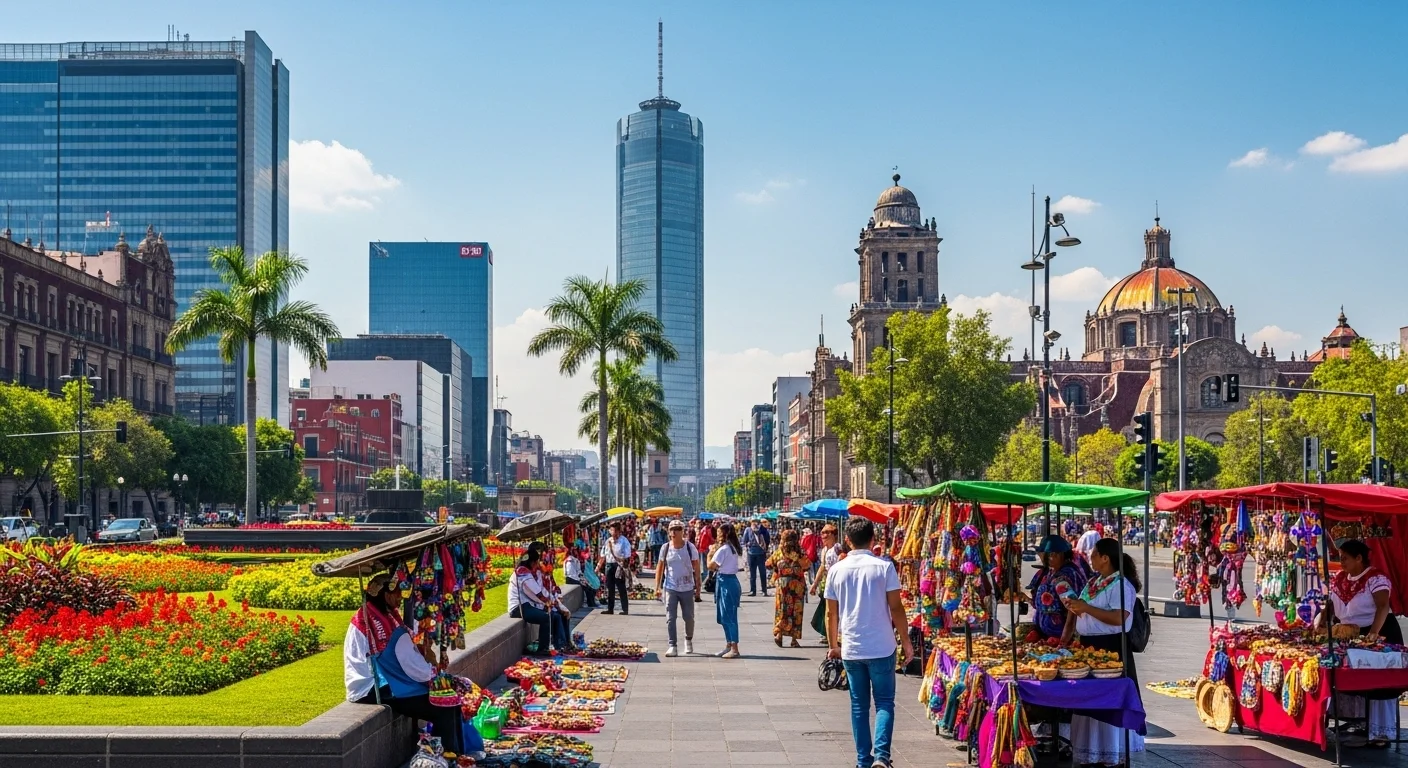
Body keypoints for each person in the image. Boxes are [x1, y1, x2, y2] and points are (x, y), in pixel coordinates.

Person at [825, 518, 913, 768]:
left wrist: (833, 645)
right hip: (882, 645)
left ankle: (863, 761)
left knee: (858, 706)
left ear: (847, 541)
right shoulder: (884, 567)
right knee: (884, 702)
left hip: (851, 647)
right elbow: (896, 608)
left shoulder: (836, 570)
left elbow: (831, 613)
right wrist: (906, 641)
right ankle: (881, 757)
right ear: (873, 539)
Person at [345, 573, 465, 755]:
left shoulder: (372, 615)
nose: (401, 597)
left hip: (376, 682)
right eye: (398, 593)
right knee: (444, 706)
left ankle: (456, 755)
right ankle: (446, 757)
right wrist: (435, 676)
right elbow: (410, 666)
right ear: (386, 595)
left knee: (447, 700)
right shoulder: (376, 624)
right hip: (374, 688)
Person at [1060, 537, 1145, 767]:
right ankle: (1090, 753)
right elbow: (1089, 613)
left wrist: (1087, 608)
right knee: (1088, 701)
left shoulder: (1121, 585)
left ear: (1105, 558)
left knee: (1107, 701)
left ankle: (1109, 753)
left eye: (1095, 554)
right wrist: (1077, 608)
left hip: (1111, 649)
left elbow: (1119, 618)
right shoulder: (1094, 582)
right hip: (1089, 647)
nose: (1091, 557)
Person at [1323, 539, 1401, 748]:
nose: (1342, 562)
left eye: (1345, 558)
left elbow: (1383, 606)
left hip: (1379, 632)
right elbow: (1330, 605)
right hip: (1350, 635)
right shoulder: (1339, 578)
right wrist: (1322, 623)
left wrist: (1373, 635)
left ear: (1359, 558)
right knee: (1349, 677)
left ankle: (1380, 732)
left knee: (1378, 683)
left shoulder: (1376, 579)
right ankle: (1357, 723)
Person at [1014, 534, 1087, 640]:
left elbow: (1074, 610)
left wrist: (1064, 641)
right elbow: (1044, 604)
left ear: (1055, 555)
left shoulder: (1067, 575)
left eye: (1042, 554)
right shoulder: (1049, 572)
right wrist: (1025, 598)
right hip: (1045, 635)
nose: (1040, 556)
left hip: (1063, 637)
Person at [655, 520, 702, 657]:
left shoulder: (690, 547)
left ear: (683, 531)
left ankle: (688, 640)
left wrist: (698, 586)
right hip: (670, 587)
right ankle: (672, 645)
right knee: (670, 617)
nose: (674, 532)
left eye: (677, 529)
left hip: (687, 587)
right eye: (672, 529)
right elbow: (660, 567)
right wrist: (657, 586)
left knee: (689, 617)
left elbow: (697, 567)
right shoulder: (665, 548)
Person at [508, 547, 562, 656]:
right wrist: (549, 603)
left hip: (527, 605)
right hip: (519, 608)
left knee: (553, 615)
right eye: (536, 561)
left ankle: (557, 644)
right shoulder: (522, 572)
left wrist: (550, 602)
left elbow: (537, 592)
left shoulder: (527, 572)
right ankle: (542, 649)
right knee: (547, 617)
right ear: (531, 562)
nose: (538, 564)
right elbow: (537, 592)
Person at [707, 522, 744, 658]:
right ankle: (729, 644)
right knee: (724, 616)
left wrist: (709, 554)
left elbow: (711, 566)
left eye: (719, 533)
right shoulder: (732, 547)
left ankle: (734, 647)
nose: (717, 536)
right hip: (728, 581)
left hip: (726, 582)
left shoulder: (724, 549)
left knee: (729, 616)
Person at [767, 528, 810, 648]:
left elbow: (768, 564)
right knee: (797, 611)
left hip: (783, 585)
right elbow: (807, 566)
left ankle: (779, 635)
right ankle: (794, 640)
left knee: (782, 610)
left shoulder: (779, 552)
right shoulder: (800, 552)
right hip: (797, 585)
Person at [811, 523, 843, 644]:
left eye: (826, 532)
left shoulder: (837, 548)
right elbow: (823, 567)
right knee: (828, 610)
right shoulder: (825, 550)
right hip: (828, 584)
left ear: (834, 535)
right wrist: (815, 584)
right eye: (822, 532)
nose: (823, 535)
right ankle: (830, 635)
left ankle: (835, 636)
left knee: (834, 611)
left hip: (837, 584)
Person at [599, 521, 632, 615]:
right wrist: (598, 567)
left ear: (618, 531)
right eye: (611, 530)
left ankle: (625, 609)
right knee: (610, 588)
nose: (613, 532)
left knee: (621, 588)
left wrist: (623, 566)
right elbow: (603, 555)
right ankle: (610, 609)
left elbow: (627, 556)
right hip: (609, 565)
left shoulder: (624, 541)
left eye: (615, 530)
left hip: (619, 566)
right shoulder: (608, 541)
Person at [743, 519, 771, 597]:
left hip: (758, 554)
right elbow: (744, 541)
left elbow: (768, 539)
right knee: (754, 573)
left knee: (760, 573)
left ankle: (761, 591)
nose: (755, 524)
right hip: (754, 553)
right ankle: (756, 590)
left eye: (757, 523)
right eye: (754, 523)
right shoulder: (749, 530)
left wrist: (764, 548)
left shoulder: (762, 530)